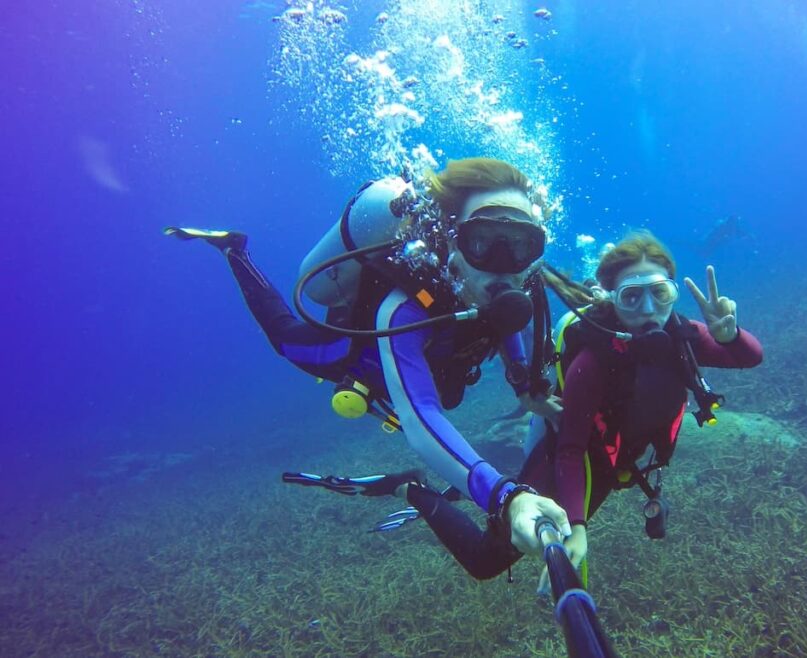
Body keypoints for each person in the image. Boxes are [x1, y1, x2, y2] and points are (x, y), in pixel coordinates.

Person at [294, 231, 763, 584]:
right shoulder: (592, 362)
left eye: (658, 293)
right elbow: (571, 448)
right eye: (631, 296)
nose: (647, 310)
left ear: (672, 294)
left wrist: (727, 335)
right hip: (575, 465)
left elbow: (748, 357)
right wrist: (576, 527)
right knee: (485, 562)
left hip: (616, 462)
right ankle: (411, 489)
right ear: (612, 301)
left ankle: (484, 478)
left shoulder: (683, 336)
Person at [166, 157, 571, 555]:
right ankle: (236, 252)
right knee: (285, 339)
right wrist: (505, 496)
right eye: (481, 241)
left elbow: (505, 327)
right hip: (357, 353)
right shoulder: (402, 310)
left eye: (521, 245)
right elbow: (421, 416)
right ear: (451, 238)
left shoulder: (522, 288)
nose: (503, 266)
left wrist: (525, 388)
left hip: (441, 360)